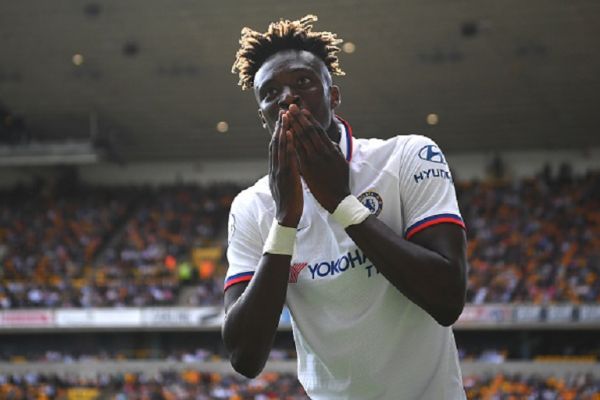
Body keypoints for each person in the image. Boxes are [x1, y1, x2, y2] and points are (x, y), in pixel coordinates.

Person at [222, 15, 468, 399]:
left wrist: (341, 203)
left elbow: (447, 299)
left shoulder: (406, 157)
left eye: (303, 82)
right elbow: (244, 357)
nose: (287, 97)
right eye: (271, 93)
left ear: (333, 95)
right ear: (264, 117)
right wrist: (285, 221)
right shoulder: (253, 207)